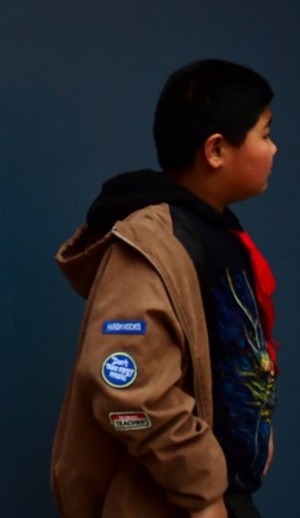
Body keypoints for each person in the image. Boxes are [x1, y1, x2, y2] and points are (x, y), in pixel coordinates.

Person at [51, 59, 279, 518]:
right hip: (173, 504)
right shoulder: (152, 243)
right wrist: (202, 489)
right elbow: (124, 385)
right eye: (265, 133)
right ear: (216, 150)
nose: (274, 149)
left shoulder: (215, 233)